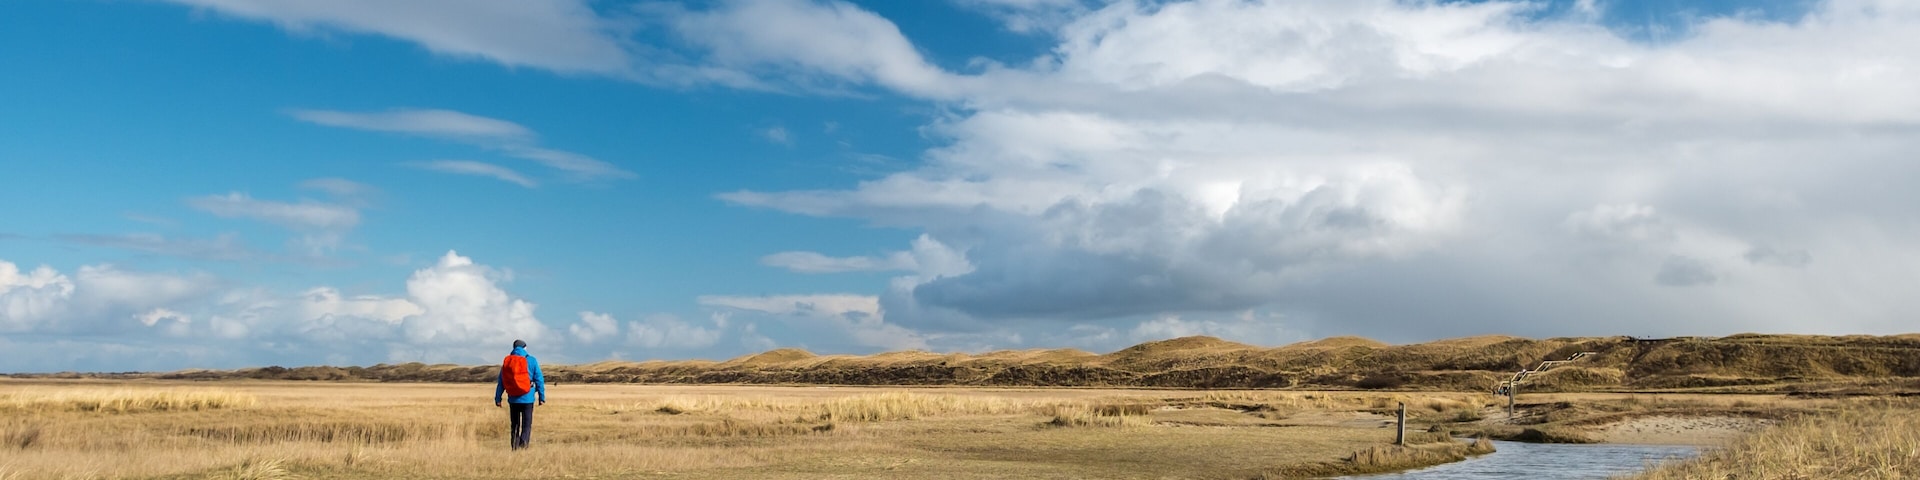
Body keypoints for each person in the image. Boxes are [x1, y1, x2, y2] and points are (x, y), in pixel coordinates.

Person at [494, 339, 546, 450]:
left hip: (513, 398)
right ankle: (524, 446)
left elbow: (501, 381)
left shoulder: (508, 362)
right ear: (525, 348)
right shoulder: (531, 360)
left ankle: (514, 448)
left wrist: (498, 398)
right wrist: (541, 397)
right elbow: (539, 379)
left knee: (515, 425)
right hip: (528, 398)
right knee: (526, 425)